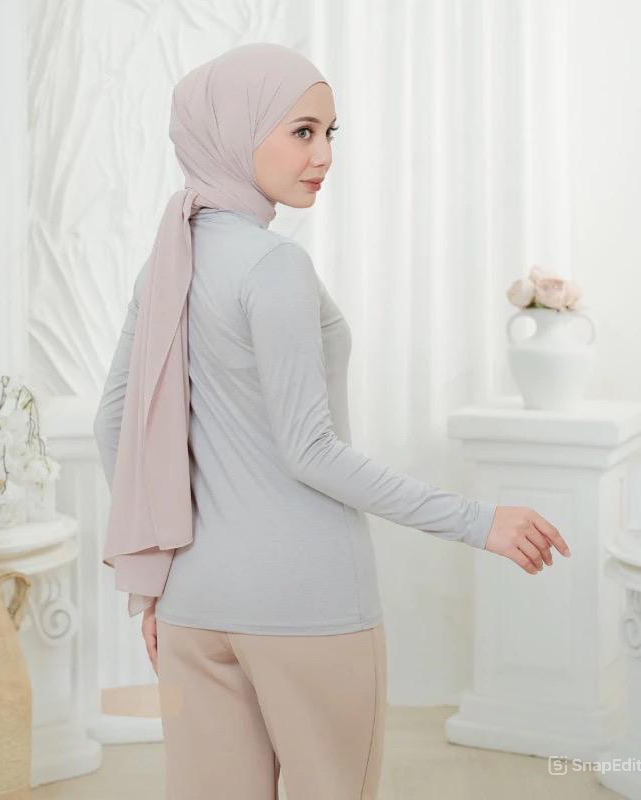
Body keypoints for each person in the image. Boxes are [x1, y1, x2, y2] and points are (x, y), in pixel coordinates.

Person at [93, 42, 570, 800]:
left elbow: (114, 424)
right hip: (306, 606)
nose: (323, 155)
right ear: (235, 130)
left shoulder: (168, 262)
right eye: (302, 131)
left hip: (192, 606)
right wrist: (480, 521)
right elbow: (310, 451)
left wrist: (153, 587)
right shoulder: (271, 264)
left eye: (329, 133)